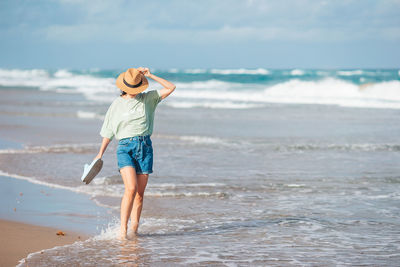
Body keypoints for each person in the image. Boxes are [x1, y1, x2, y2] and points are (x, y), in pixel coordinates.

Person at [94, 67, 176, 239]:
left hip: (145, 148)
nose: (133, 92)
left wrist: (150, 75)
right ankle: (122, 231)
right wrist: (99, 153)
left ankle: (134, 231)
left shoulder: (149, 98)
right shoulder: (116, 104)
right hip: (124, 148)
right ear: (124, 87)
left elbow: (171, 87)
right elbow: (108, 130)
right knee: (130, 189)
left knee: (139, 194)